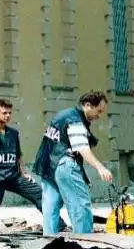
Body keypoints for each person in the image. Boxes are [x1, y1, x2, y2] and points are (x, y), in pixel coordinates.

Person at [0, 99, 64, 234]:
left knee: (39, 194)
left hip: (12, 175)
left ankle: (59, 226)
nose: (8, 116)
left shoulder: (13, 133)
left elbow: (18, 154)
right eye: (4, 113)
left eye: (9, 113)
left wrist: (23, 172)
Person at [32, 90, 114, 235]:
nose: (99, 116)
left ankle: (49, 241)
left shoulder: (63, 115)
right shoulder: (75, 120)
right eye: (99, 111)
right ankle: (85, 241)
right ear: (88, 105)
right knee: (80, 204)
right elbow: (81, 147)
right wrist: (100, 168)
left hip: (48, 165)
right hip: (65, 165)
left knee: (50, 206)